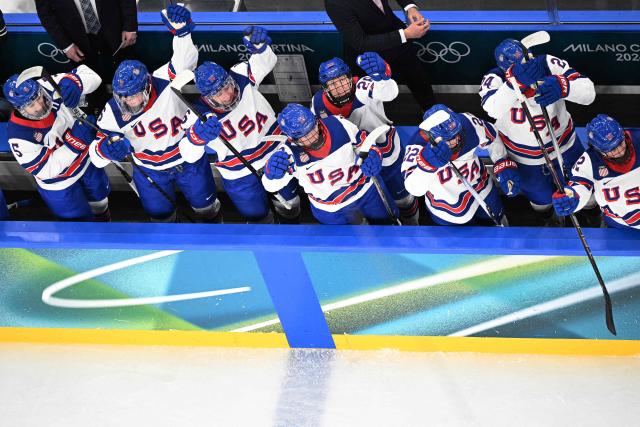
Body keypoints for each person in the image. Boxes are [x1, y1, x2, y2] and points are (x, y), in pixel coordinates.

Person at [89, 4, 219, 223]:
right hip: (149, 170)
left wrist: (182, 33)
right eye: (123, 97)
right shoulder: (113, 109)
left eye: (133, 96)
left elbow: (185, 60)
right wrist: (105, 150)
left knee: (207, 210)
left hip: (188, 160)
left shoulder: (162, 81)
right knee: (160, 218)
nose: (127, 101)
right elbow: (96, 156)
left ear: (147, 87)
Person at [180, 26, 299, 224]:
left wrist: (260, 48)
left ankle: (295, 231)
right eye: (218, 93)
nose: (227, 95)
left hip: (275, 155)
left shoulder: (241, 75)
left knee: (291, 204)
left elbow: (267, 62)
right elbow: (188, 154)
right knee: (258, 218)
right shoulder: (197, 115)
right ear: (207, 97)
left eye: (226, 86)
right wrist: (196, 138)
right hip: (239, 174)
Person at [479, 38, 595, 225]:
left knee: (587, 193)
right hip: (525, 159)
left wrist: (564, 86)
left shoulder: (547, 63)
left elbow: (589, 94)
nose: (525, 67)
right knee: (541, 201)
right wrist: (514, 83)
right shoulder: (495, 79)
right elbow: (492, 109)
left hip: (566, 147)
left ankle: (594, 219)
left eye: (526, 61)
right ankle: (551, 222)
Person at [310, 53, 418, 224]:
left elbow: (389, 92)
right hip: (357, 164)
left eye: (343, 80)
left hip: (386, 153)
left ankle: (413, 226)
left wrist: (383, 77)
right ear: (325, 87)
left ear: (349, 77)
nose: (340, 86)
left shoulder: (362, 85)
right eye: (333, 83)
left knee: (403, 199)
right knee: (379, 206)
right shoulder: (317, 103)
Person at [262, 103, 399, 225]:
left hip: (366, 191)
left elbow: (364, 145)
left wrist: (373, 155)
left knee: (388, 228)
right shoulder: (287, 154)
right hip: (331, 210)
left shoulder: (338, 124)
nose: (313, 136)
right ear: (291, 138)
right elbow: (271, 186)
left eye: (312, 128)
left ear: (316, 120)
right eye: (304, 136)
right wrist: (271, 174)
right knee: (349, 248)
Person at [3, 66, 111, 221]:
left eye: (38, 97)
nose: (40, 106)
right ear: (18, 108)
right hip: (59, 184)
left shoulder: (49, 84)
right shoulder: (18, 135)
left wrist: (76, 82)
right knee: (79, 225)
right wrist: (75, 143)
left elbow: (94, 76)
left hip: (86, 163)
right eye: (31, 105)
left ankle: (106, 232)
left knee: (101, 203)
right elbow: (45, 169)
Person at [402, 104, 519, 226]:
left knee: (499, 225)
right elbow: (413, 188)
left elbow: (492, 136)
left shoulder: (467, 122)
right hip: (446, 206)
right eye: (448, 139)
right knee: (461, 243)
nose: (454, 141)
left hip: (482, 188)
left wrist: (501, 161)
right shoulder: (417, 146)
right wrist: (427, 166)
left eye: (456, 134)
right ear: (431, 135)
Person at [325, 0, 435, 111]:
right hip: (368, 58)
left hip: (398, 41)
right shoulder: (335, 3)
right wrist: (406, 34)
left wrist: (410, 7)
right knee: (370, 103)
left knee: (418, 79)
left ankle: (432, 112)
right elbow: (361, 42)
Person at [35, 0, 138, 110]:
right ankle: (100, 111)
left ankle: (133, 108)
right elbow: (46, 14)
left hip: (115, 31)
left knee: (126, 76)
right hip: (77, 40)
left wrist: (130, 26)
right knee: (92, 88)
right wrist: (66, 45)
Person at [552, 114, 640, 230]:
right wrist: (572, 198)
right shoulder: (589, 161)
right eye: (611, 149)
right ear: (598, 150)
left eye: (620, 143)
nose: (619, 151)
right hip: (618, 224)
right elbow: (579, 187)